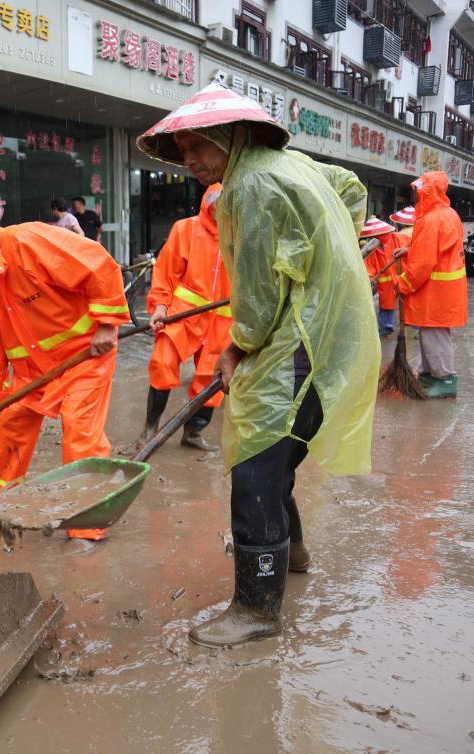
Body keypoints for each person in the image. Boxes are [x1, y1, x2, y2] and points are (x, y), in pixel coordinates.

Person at [137, 83, 380, 647]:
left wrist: (235, 347)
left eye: (199, 146)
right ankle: (292, 552)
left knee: (254, 473)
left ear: (231, 136)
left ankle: (256, 609)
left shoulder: (248, 186)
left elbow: (258, 302)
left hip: (297, 346)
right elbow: (352, 187)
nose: (191, 160)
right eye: (183, 151)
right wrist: (327, 254)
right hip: (327, 335)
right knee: (277, 457)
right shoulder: (292, 164)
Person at [0, 198, 130, 542]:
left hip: (84, 357)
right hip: (33, 372)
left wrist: (108, 324)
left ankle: (86, 526)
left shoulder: (29, 242)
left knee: (80, 433)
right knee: (12, 423)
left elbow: (98, 265)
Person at [132, 183, 231, 453]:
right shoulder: (186, 229)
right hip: (184, 314)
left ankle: (193, 432)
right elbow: (166, 272)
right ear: (209, 205)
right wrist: (160, 306)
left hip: (223, 321)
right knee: (162, 363)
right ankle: (150, 429)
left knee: (211, 380)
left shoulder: (243, 237)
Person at [393, 172, 467, 398]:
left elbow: (423, 263)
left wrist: (402, 284)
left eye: (418, 190)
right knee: (432, 332)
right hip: (445, 290)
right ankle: (430, 374)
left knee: (434, 334)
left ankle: (444, 379)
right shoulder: (448, 214)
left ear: (426, 191)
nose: (415, 195)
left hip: (436, 291)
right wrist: (409, 250)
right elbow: (439, 249)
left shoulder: (431, 219)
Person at [359, 216, 401, 337]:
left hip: (397, 277)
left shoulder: (396, 239)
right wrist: (369, 276)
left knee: (403, 303)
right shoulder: (375, 248)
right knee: (387, 304)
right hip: (386, 281)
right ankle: (387, 325)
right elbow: (370, 265)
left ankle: (391, 325)